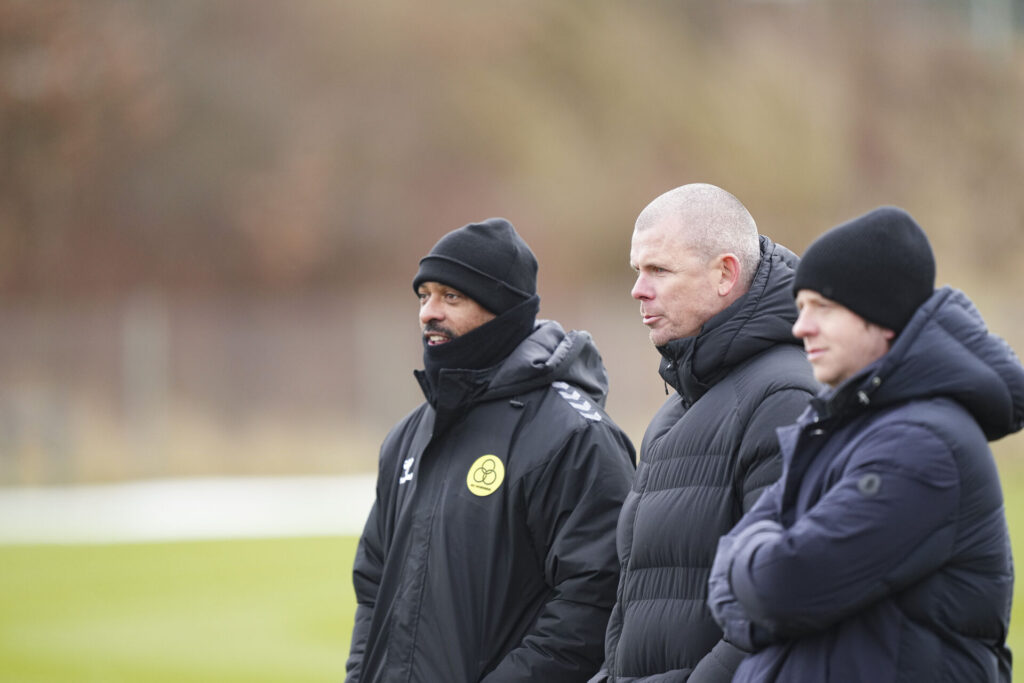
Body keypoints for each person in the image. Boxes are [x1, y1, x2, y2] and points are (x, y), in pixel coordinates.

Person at [708, 206, 1023, 682]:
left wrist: (747, 568)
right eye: (801, 307)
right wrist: (753, 572)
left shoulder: (923, 444)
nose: (801, 327)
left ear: (884, 318)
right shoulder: (843, 425)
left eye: (824, 308)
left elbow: (783, 584)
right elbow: (727, 584)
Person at [345, 217, 637, 683]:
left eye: (451, 297)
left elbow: (594, 600)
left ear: (502, 310)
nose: (428, 313)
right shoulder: (407, 438)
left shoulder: (574, 437)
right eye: (424, 296)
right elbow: (372, 586)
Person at [594, 183, 819, 682]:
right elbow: (636, 603)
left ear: (725, 273)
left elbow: (781, 613)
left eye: (658, 270)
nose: (638, 289)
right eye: (637, 271)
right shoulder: (674, 412)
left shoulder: (785, 400)